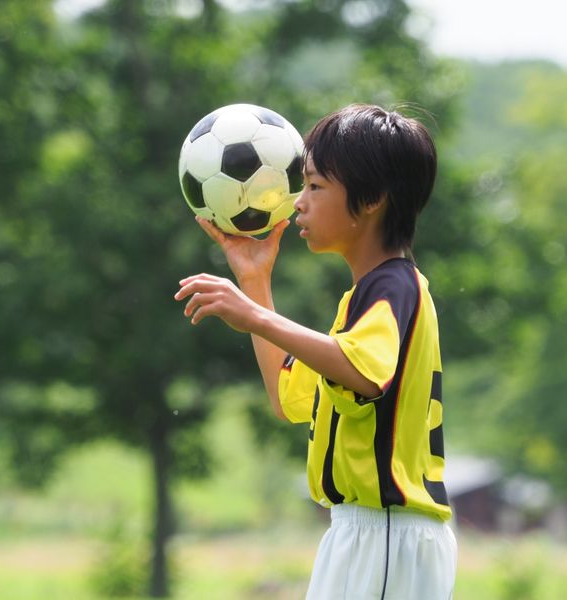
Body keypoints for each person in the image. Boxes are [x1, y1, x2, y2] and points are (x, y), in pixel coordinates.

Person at [175, 104, 456, 599]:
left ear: (371, 199)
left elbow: (364, 375)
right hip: (362, 532)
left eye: (315, 186)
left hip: (387, 532)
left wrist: (254, 316)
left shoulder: (394, 287)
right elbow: (289, 398)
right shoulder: (365, 297)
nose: (297, 203)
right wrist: (256, 283)